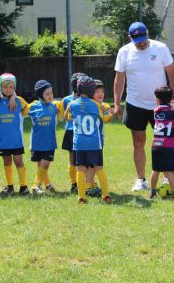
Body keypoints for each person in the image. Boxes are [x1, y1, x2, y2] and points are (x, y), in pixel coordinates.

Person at [113, 22, 174, 191]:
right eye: (137, 40)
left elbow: (172, 73)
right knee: (138, 141)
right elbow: (119, 79)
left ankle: (166, 178)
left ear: (147, 33)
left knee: (164, 142)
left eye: (143, 38)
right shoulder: (124, 52)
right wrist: (116, 103)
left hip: (161, 105)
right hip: (135, 103)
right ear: (130, 37)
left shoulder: (161, 48)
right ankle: (141, 179)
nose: (141, 43)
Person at [66, 76, 114, 204]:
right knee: (99, 168)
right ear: (92, 89)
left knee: (80, 169)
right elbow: (105, 119)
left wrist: (68, 109)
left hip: (79, 143)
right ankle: (106, 195)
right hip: (94, 143)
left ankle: (81, 197)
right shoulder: (96, 105)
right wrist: (111, 113)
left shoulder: (73, 104)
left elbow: (68, 118)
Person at [0, 73, 31, 196]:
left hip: (16, 140)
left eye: (11, 87)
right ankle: (10, 186)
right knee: (6, 162)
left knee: (18, 161)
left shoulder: (19, 101)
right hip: (2, 140)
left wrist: (14, 96)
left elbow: (29, 110)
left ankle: (24, 187)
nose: (8, 89)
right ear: (0, 87)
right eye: (5, 87)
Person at [29, 80, 63, 196]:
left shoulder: (55, 106)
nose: (50, 96)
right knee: (41, 165)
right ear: (40, 95)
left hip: (49, 143)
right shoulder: (32, 107)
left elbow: (66, 104)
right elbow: (21, 107)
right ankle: (43, 185)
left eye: (51, 93)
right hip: (36, 143)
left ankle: (37, 185)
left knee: (45, 164)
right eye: (47, 94)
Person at [60, 72, 87, 194]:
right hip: (71, 132)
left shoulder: (87, 99)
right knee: (72, 160)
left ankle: (85, 183)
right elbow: (65, 117)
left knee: (83, 159)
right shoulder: (66, 100)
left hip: (83, 132)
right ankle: (74, 184)